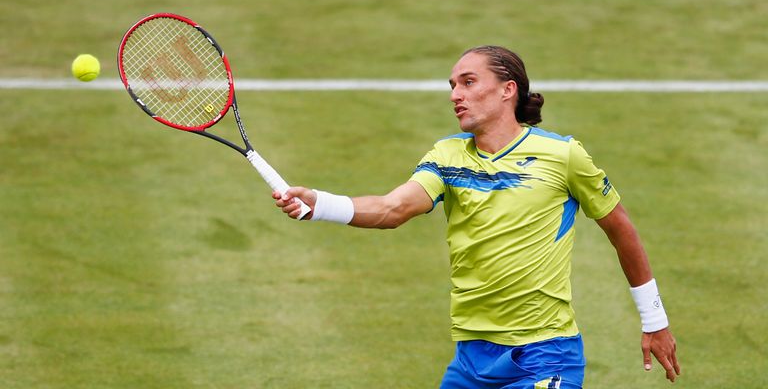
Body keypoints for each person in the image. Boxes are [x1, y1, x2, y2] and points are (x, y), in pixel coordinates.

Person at [273, 45, 680, 388]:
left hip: (544, 353)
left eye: (468, 82)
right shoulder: (447, 155)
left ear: (507, 90)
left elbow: (620, 229)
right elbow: (392, 209)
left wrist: (654, 319)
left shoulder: (562, 155)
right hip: (471, 358)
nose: (455, 94)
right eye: (452, 85)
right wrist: (319, 204)